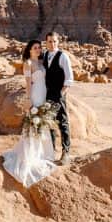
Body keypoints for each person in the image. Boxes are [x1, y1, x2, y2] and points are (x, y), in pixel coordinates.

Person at [1, 40, 57, 187]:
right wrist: (28, 100)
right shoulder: (28, 63)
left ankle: (43, 153)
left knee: (42, 124)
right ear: (30, 50)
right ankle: (30, 155)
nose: (38, 50)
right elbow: (27, 83)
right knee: (33, 124)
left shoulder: (41, 62)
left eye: (39, 47)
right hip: (35, 96)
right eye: (35, 48)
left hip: (43, 95)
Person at [43, 31, 73, 164]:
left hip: (59, 94)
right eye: (50, 41)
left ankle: (66, 152)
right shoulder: (44, 55)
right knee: (49, 122)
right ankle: (51, 151)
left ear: (58, 42)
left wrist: (62, 93)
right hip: (47, 94)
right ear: (46, 42)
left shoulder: (63, 56)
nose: (52, 44)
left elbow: (69, 78)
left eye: (54, 41)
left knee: (63, 122)